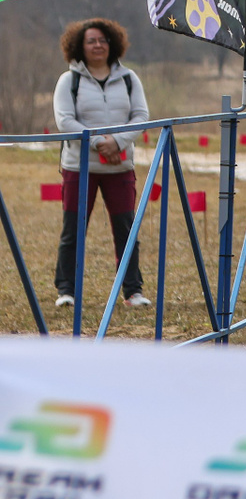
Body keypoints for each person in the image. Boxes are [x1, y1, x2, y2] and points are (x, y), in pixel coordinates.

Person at [52, 18, 150, 309]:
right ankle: (66, 291)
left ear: (112, 44)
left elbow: (141, 116)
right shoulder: (68, 81)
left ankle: (132, 291)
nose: (98, 45)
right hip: (79, 168)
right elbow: (65, 120)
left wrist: (117, 142)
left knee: (126, 231)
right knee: (73, 231)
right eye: (91, 41)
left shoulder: (130, 78)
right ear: (79, 46)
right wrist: (98, 142)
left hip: (120, 167)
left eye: (103, 40)